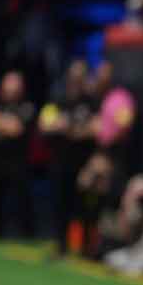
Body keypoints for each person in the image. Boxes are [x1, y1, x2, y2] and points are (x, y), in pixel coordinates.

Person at [41, 60, 97, 256]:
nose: (77, 80)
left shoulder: (91, 101)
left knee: (85, 206)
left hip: (84, 163)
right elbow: (45, 124)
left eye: (80, 76)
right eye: (74, 76)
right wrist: (61, 125)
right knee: (60, 204)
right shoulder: (57, 99)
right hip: (60, 161)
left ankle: (86, 247)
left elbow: (96, 127)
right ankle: (60, 245)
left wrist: (74, 130)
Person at [0, 71, 36, 238]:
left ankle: (27, 234)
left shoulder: (27, 107)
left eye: (14, 87)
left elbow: (16, 128)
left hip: (18, 163)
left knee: (21, 200)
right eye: (8, 86)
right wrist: (3, 123)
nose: (10, 91)